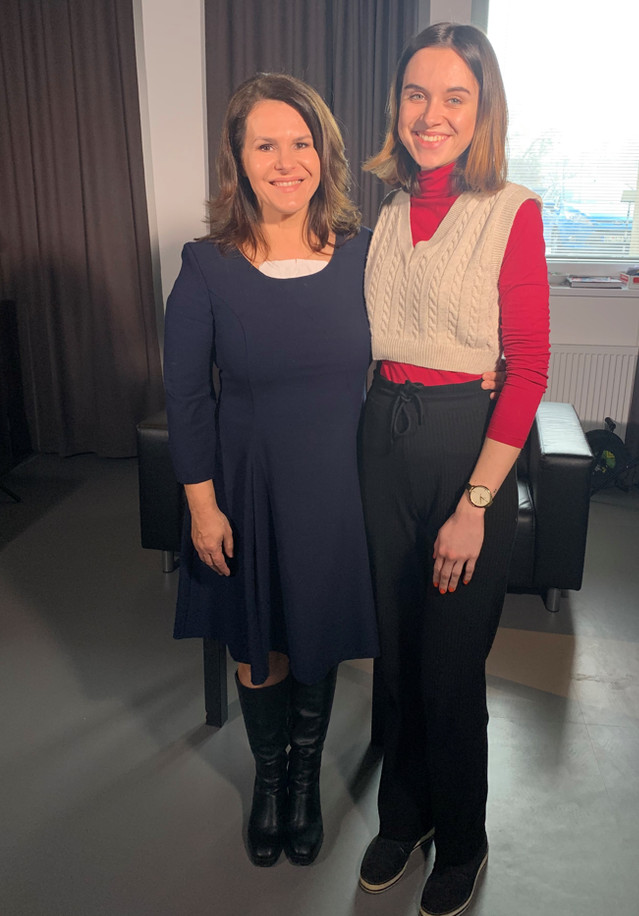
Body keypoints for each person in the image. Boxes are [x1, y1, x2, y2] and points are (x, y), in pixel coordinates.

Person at [162, 74, 382, 869]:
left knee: (316, 637)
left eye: (301, 143)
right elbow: (186, 395)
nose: (286, 162)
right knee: (260, 645)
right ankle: (270, 779)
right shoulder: (207, 267)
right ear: (239, 159)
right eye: (266, 145)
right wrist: (202, 507)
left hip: (338, 490)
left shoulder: (365, 254)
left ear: (325, 154)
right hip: (245, 489)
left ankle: (304, 785)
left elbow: (416, 342)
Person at [358, 23, 550, 916]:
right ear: (397, 106)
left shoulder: (512, 210)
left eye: (454, 97)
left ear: (483, 112)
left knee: (449, 667)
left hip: (467, 447)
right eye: (416, 94)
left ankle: (463, 839)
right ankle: (405, 817)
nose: (430, 115)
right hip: (381, 437)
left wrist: (476, 503)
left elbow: (529, 369)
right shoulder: (383, 210)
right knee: (395, 656)